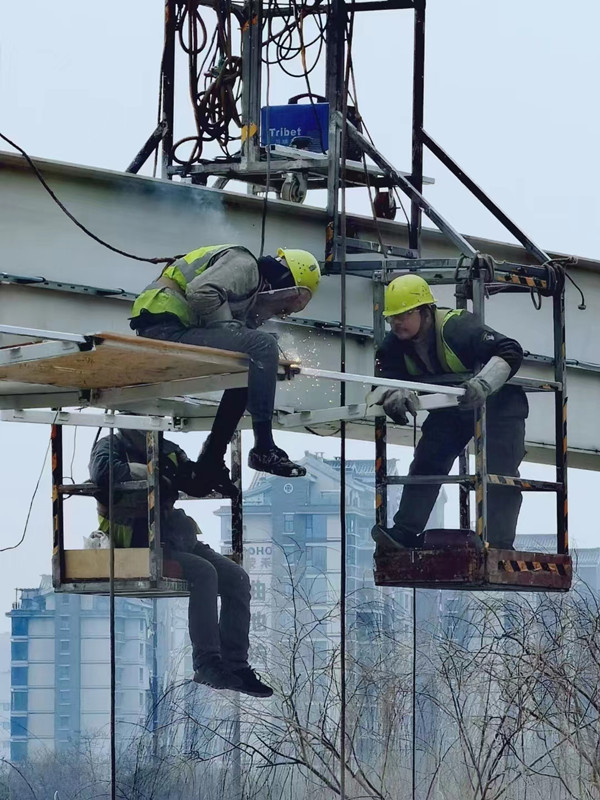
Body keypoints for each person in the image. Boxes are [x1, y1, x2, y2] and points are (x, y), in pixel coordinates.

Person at [89, 427, 273, 697]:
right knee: (204, 573)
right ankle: (207, 663)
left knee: (237, 578)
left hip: (175, 536)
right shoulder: (110, 447)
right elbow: (104, 474)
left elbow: (193, 482)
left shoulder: (167, 449)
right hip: (139, 540)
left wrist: (209, 471)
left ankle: (235, 665)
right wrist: (151, 474)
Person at [129, 244, 321, 494]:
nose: (282, 310)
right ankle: (264, 447)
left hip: (172, 326)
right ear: (283, 279)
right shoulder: (246, 265)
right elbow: (202, 293)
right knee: (262, 345)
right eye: (287, 302)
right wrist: (235, 331)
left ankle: (210, 462)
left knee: (246, 374)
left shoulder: (247, 292)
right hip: (165, 324)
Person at [371, 273, 528, 551]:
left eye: (404, 315)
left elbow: (510, 350)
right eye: (392, 317)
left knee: (500, 472)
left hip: (500, 405)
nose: (396, 323)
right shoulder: (392, 345)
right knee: (427, 462)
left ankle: (499, 544)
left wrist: (483, 384)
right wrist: (394, 394)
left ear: (425, 312)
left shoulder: (457, 328)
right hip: (451, 406)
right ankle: (404, 533)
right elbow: (383, 382)